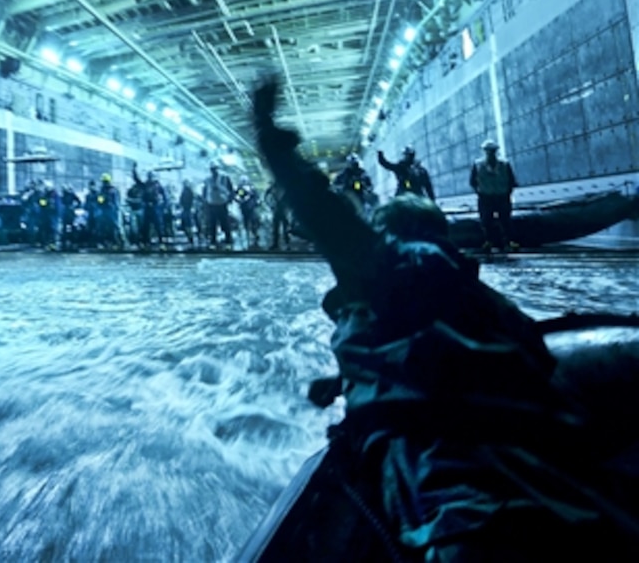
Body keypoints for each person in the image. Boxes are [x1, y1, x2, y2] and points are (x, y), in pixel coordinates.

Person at [252, 77, 637, 561]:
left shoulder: (394, 266)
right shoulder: (475, 294)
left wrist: (271, 140)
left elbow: (324, 214)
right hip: (552, 478)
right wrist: (343, 378)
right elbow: (487, 353)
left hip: (457, 500)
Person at [470, 139, 519, 251]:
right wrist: (480, 192)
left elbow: (511, 180)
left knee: (506, 220)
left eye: (492, 151)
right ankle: (489, 242)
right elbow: (473, 181)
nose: (490, 153)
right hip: (486, 197)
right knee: (486, 221)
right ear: (484, 151)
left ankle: (509, 242)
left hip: (502, 196)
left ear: (495, 151)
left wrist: (507, 192)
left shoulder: (504, 164)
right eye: (488, 151)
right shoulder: (478, 165)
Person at [131, 163, 168, 250]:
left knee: (158, 226)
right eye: (149, 176)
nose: (150, 178)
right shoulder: (145, 185)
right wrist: (134, 170)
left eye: (151, 176)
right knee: (145, 226)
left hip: (155, 207)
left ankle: (161, 242)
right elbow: (137, 180)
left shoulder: (157, 185)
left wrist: (164, 206)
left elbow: (165, 196)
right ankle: (145, 242)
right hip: (147, 207)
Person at [201, 161, 235, 248]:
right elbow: (205, 191)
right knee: (212, 224)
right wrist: (205, 202)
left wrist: (230, 200)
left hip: (222, 203)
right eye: (212, 169)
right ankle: (213, 241)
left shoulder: (224, 177)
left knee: (225, 223)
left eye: (215, 169)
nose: (214, 171)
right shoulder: (207, 179)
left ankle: (228, 240)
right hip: (211, 203)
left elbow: (231, 189)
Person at [234, 175, 261, 249]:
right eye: (243, 181)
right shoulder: (241, 189)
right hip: (244, 209)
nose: (244, 182)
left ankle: (254, 234)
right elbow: (238, 196)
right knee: (246, 223)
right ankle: (248, 236)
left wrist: (256, 202)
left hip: (251, 209)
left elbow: (256, 198)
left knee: (254, 222)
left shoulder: (252, 188)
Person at [179, 180, 197, 248]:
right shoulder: (185, 191)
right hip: (185, 209)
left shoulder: (188, 191)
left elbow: (190, 199)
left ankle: (191, 239)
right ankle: (190, 238)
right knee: (186, 225)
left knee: (188, 225)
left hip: (187, 209)